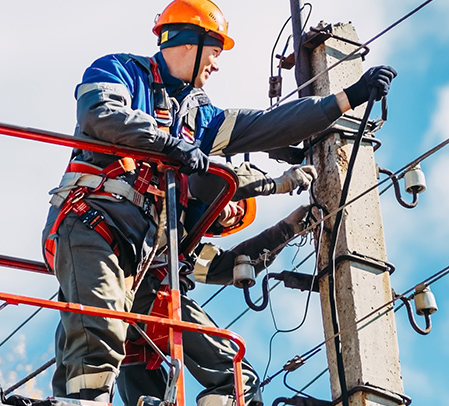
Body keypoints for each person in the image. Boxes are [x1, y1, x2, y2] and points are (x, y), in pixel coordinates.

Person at [41, 0, 396, 403]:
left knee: (222, 366)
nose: (217, 64)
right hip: (94, 222)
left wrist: (348, 98)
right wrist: (170, 145)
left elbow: (267, 125)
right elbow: (100, 115)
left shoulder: (201, 117)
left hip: (143, 260)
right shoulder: (119, 71)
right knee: (101, 328)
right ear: (189, 43)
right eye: (214, 52)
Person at [117, 163, 316, 406]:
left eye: (237, 216)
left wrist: (286, 230)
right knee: (240, 380)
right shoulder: (164, 209)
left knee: (146, 392)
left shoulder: (186, 248)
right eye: (234, 204)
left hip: (126, 320)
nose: (233, 212)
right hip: (146, 298)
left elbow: (229, 266)